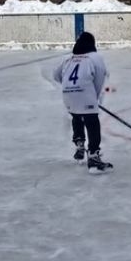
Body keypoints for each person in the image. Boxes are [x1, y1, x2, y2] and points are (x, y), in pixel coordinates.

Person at [53, 31, 113, 174]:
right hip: (86, 94)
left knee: (76, 116)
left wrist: (69, 87)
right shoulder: (95, 57)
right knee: (92, 122)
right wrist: (95, 98)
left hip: (68, 95)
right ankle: (93, 158)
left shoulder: (69, 58)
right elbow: (99, 79)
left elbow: (56, 75)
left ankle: (79, 145)